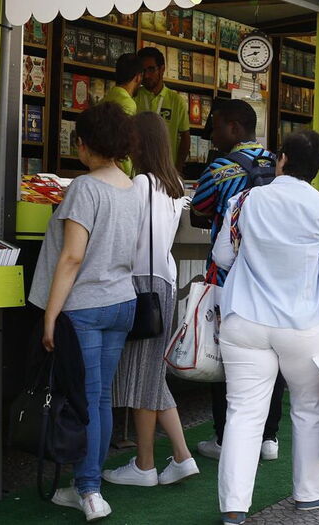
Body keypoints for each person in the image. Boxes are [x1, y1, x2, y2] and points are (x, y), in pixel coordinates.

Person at [212, 130, 319, 524]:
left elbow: (223, 256)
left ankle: (234, 509)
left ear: (283, 159)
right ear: (318, 168)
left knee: (243, 414)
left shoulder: (244, 200)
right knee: (309, 409)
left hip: (245, 322)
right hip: (306, 326)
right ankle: (310, 493)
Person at [28, 102, 142, 521]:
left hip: (86, 306)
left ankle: (89, 490)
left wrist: (50, 316)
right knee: (101, 398)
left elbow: (72, 258)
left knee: (86, 399)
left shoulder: (85, 188)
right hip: (121, 302)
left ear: (86, 142)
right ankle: (90, 481)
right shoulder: (131, 187)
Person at [104, 112, 200, 487]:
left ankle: (148, 464)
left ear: (139, 142)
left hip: (141, 284)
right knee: (151, 375)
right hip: (166, 282)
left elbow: (126, 237)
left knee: (145, 376)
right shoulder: (173, 183)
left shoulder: (140, 183)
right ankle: (179, 456)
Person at [191, 98, 285, 461]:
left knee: (226, 356)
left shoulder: (220, 167)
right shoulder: (276, 161)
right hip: (271, 275)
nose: (212, 134)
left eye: (215, 126)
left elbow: (199, 208)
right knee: (271, 355)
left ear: (233, 128)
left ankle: (224, 436)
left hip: (230, 276)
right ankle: (269, 437)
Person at [134, 47, 190, 172]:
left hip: (166, 172)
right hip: (138, 171)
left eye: (151, 69)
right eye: (143, 71)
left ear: (162, 69)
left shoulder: (177, 101)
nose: (147, 75)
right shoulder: (133, 97)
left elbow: (185, 138)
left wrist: (177, 170)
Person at [104, 53, 143, 175]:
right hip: (121, 170)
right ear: (138, 77)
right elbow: (122, 142)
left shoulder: (106, 98)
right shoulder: (128, 103)